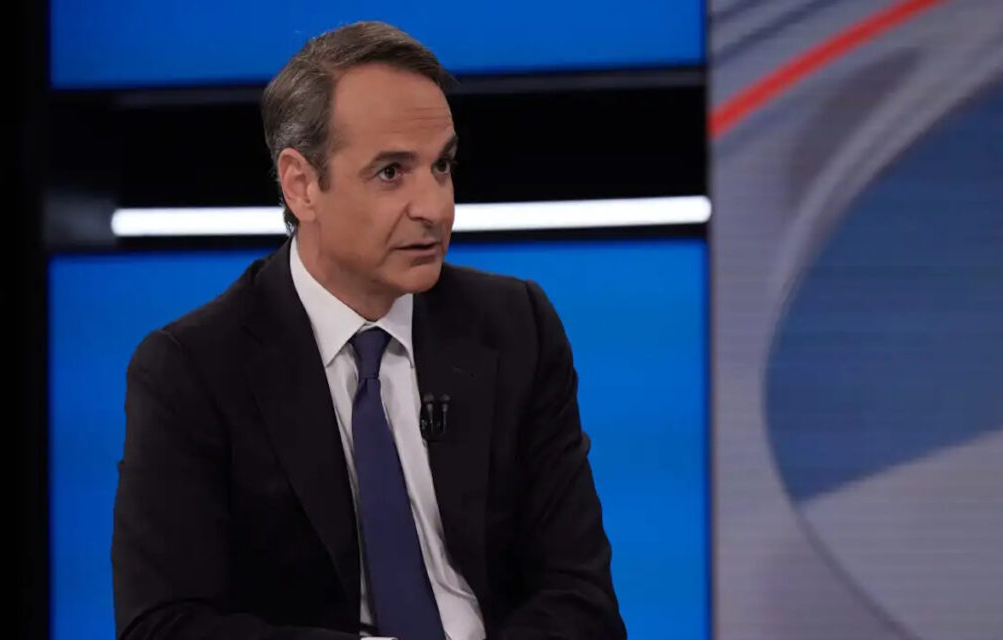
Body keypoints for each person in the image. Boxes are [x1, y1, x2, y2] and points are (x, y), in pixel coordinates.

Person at [112, 21, 625, 640]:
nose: (434, 208)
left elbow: (582, 599)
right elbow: (164, 626)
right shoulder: (191, 370)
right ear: (301, 185)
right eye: (390, 173)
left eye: (442, 166)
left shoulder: (516, 327)